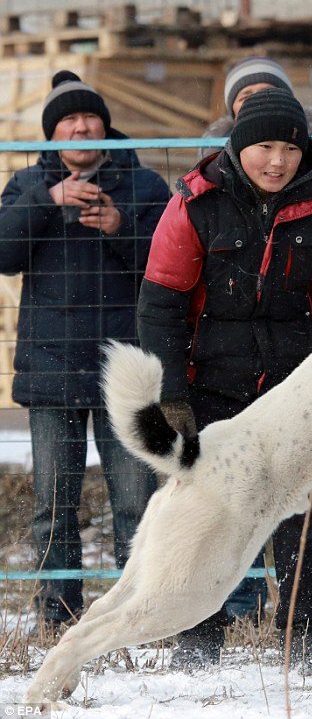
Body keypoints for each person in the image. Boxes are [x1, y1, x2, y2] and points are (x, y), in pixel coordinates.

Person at [138, 88, 312, 673]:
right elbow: (161, 302)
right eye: (265, 146)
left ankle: (306, 640)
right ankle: (198, 637)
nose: (277, 161)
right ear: (239, 147)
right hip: (210, 384)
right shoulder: (196, 202)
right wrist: (171, 394)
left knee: (300, 520)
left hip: (293, 390)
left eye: (290, 148)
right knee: (209, 518)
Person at [0, 71, 169, 630]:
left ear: (104, 125)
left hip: (124, 368)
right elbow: (3, 253)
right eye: (68, 120)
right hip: (50, 368)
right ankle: (58, 612)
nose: (80, 126)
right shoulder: (28, 184)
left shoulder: (142, 185)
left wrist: (121, 226)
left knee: (135, 504)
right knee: (53, 506)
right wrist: (49, 202)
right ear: (52, 134)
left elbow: (169, 266)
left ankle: (137, 611)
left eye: (89, 117)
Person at [203, 56, 312, 257]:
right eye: (245, 96)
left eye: (268, 91)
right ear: (233, 110)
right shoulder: (207, 174)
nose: (278, 161)